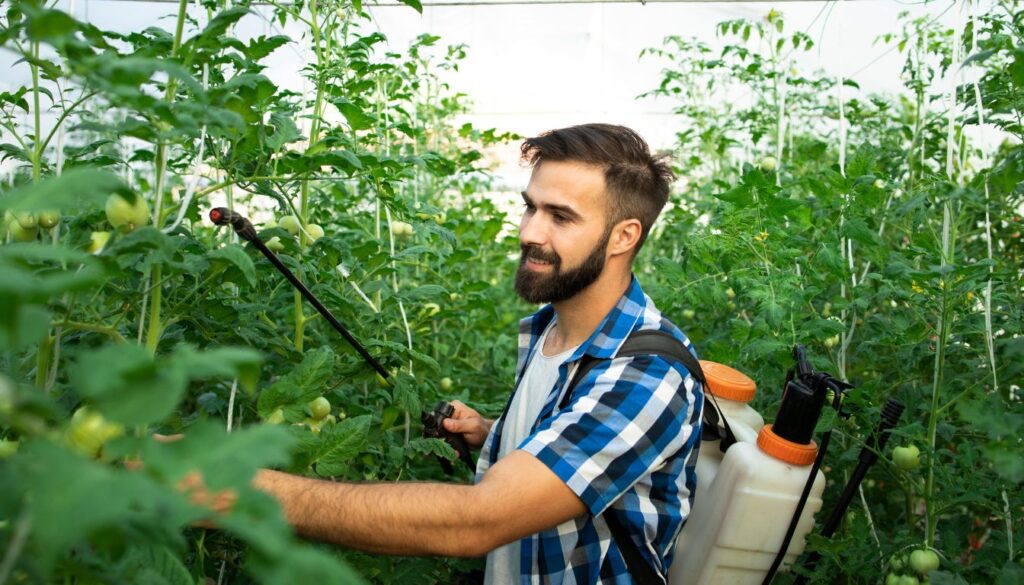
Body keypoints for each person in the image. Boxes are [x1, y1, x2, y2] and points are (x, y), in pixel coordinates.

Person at [254, 123, 704, 584]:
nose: (529, 231)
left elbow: (475, 522)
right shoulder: (553, 329)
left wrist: (237, 492)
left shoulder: (647, 374)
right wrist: (493, 434)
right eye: (530, 207)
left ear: (623, 237)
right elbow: (573, 441)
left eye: (560, 217)